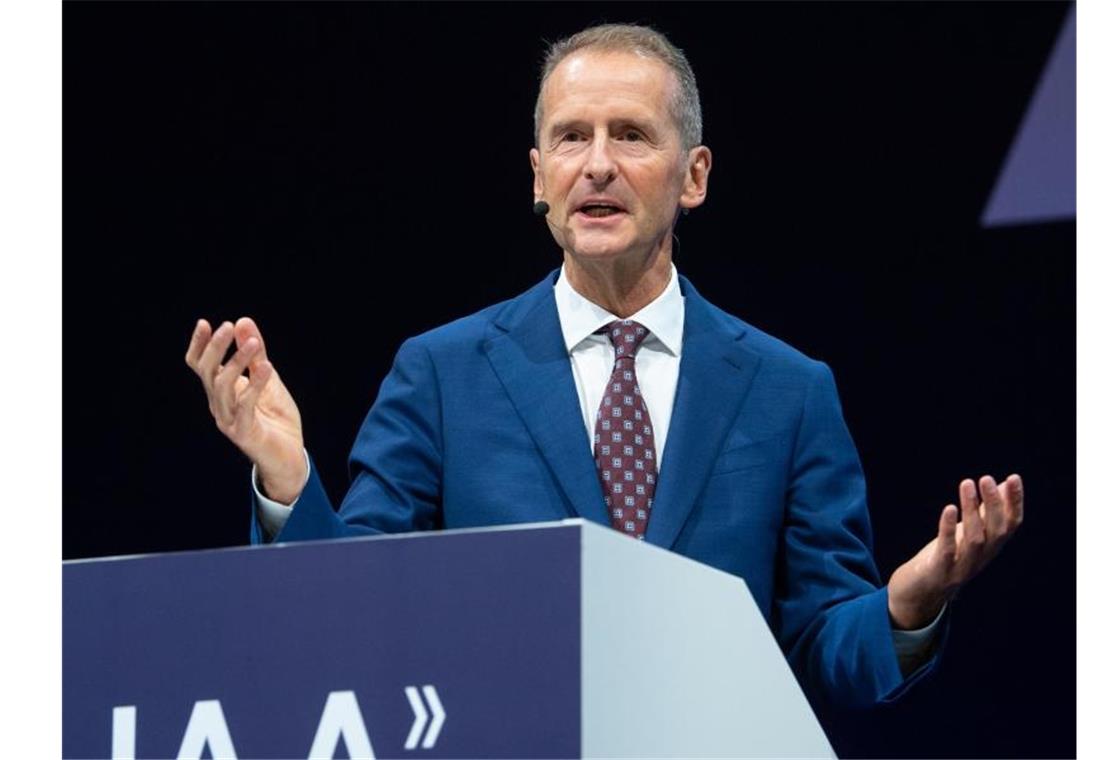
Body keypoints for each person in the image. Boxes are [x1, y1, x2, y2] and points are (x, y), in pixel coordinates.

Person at [184, 24, 1023, 710]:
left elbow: (824, 646)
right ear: (539, 177)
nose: (597, 163)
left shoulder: (788, 391)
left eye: (630, 134)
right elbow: (353, 615)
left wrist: (909, 603)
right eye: (571, 138)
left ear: (693, 176)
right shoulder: (442, 374)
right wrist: (290, 482)